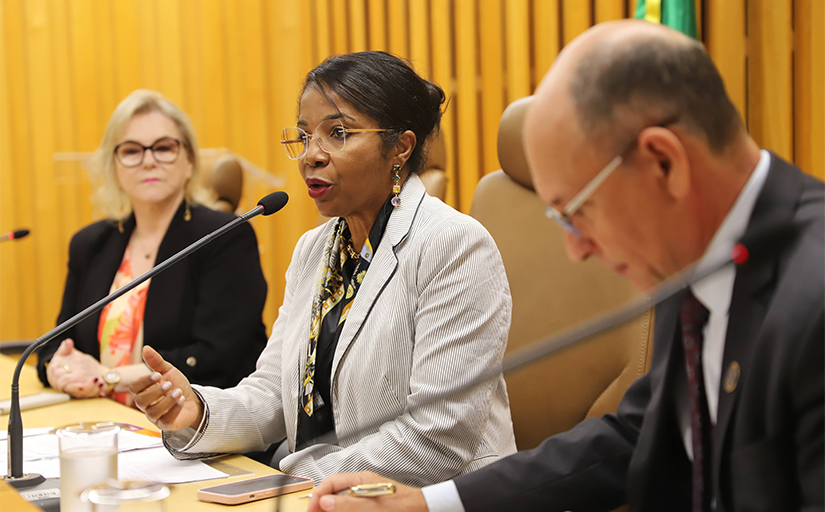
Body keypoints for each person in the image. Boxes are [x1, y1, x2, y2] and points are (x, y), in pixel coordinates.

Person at [305, 20, 824, 512]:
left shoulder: (814, 293)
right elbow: (638, 435)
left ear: (663, 162)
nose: (576, 249)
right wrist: (427, 503)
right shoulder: (692, 263)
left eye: (577, 213)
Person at [128, 51, 517, 485]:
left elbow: (439, 437)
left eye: (338, 133)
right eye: (304, 135)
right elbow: (275, 393)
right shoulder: (313, 251)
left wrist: (290, 474)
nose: (311, 155)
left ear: (400, 147)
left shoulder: (454, 245)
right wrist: (198, 412)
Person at [38, 90, 268, 407]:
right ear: (115, 166)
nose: (148, 161)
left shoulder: (224, 235)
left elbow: (218, 356)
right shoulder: (90, 243)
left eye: (163, 148)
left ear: (189, 161)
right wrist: (59, 369)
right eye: (132, 151)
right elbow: (55, 343)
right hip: (104, 420)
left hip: (194, 427)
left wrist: (108, 377)